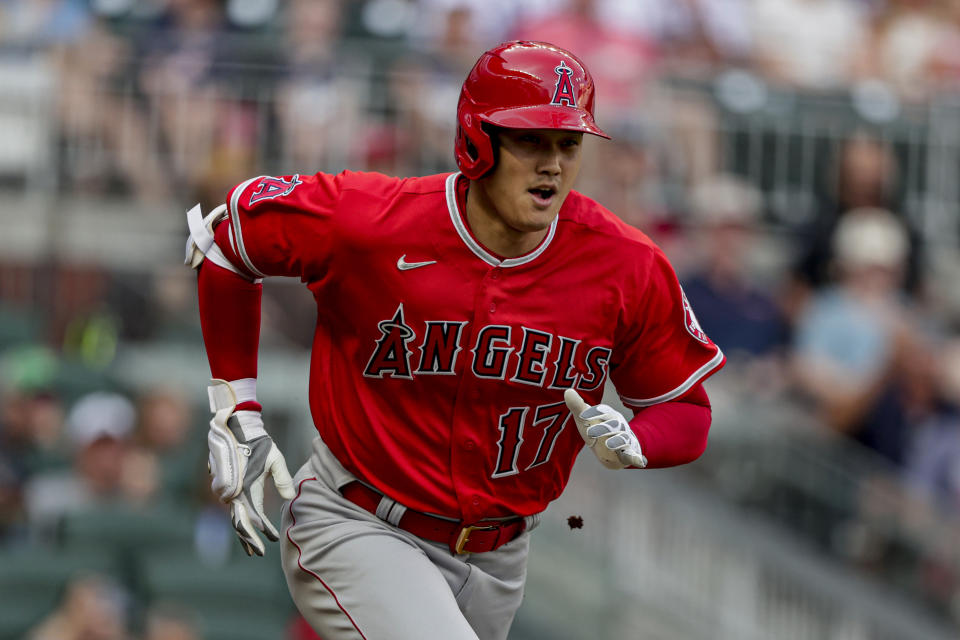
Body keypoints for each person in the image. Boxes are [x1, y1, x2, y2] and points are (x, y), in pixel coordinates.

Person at [185, 41, 725, 640]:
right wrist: (236, 404)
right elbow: (228, 240)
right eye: (530, 140)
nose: (552, 163)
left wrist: (637, 439)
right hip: (358, 518)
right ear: (476, 140)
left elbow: (687, 412)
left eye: (567, 144)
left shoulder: (626, 265)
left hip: (501, 558)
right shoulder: (373, 220)